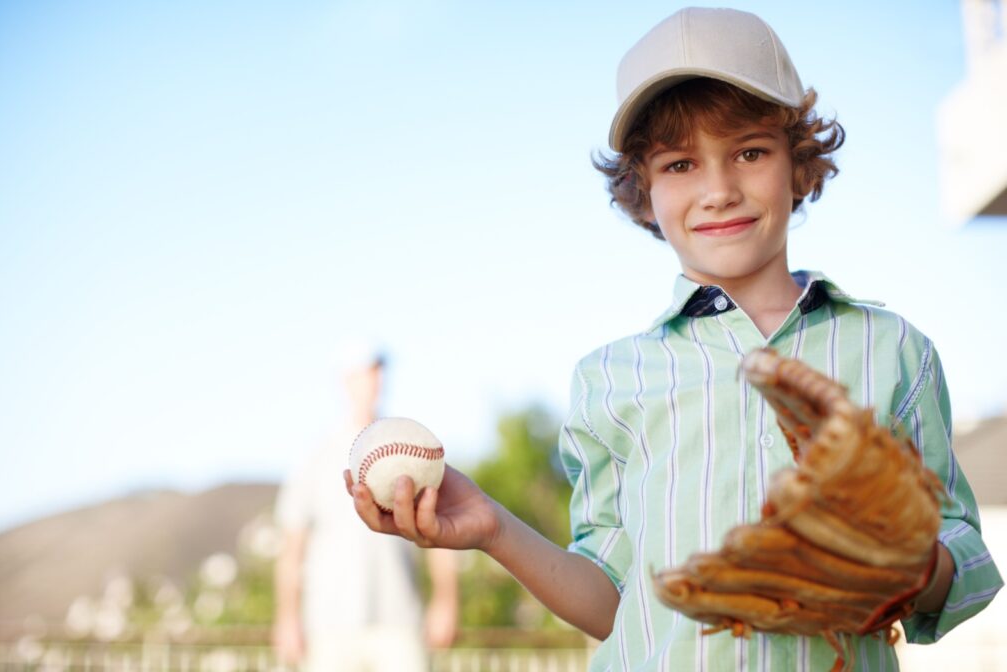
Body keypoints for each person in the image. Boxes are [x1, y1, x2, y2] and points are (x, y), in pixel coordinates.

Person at [346, 7, 1003, 670]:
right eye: (682, 164)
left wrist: (906, 566)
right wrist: (494, 529)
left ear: (798, 161)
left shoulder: (892, 351)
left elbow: (967, 559)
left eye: (750, 151)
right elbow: (613, 601)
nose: (718, 190)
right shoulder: (609, 378)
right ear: (643, 188)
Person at [274, 345, 458, 672]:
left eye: (377, 372)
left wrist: (445, 601)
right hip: (328, 623)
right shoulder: (316, 456)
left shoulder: (412, 449)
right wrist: (287, 618)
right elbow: (293, 548)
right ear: (345, 381)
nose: (374, 381)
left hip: (398, 617)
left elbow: (439, 530)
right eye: (364, 373)